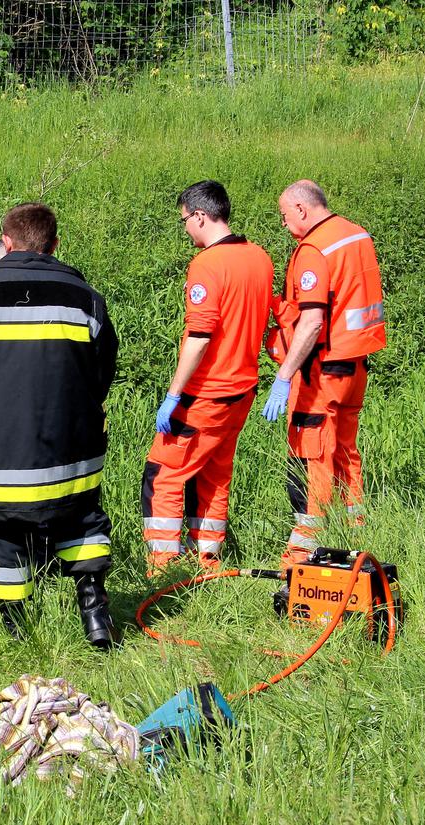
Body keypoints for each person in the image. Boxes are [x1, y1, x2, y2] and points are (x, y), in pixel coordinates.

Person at [0, 203, 120, 649]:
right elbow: (103, 373)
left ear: (6, 243)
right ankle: (95, 615)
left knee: (1, 533)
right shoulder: (86, 298)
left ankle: (16, 635)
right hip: (69, 444)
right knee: (80, 518)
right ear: (54, 245)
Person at [142, 181, 274, 575]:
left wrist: (173, 393)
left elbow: (199, 336)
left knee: (163, 474)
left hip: (206, 392)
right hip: (243, 389)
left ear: (200, 216)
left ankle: (163, 566)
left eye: (185, 220)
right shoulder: (259, 258)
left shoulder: (206, 265)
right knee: (215, 473)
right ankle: (207, 558)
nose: (185, 229)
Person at [262, 180, 386, 564]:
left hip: (323, 369)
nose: (283, 224)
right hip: (357, 363)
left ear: (301, 209)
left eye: (284, 215)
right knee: (345, 447)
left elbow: (313, 322)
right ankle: (356, 531)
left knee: (310, 449)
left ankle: (303, 549)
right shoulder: (355, 234)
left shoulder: (314, 249)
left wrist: (284, 375)